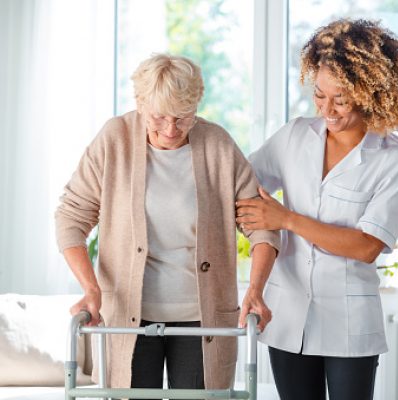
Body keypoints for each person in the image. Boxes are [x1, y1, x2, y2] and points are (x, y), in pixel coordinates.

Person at [55, 54, 280, 391]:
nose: (171, 129)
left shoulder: (217, 144)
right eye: (158, 117)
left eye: (183, 117)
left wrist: (256, 290)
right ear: (141, 104)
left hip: (202, 320)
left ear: (196, 106)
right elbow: (71, 216)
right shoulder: (115, 138)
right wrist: (91, 288)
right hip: (127, 317)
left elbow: (262, 225)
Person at [236, 19, 398, 400]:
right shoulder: (295, 135)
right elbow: (241, 183)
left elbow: (366, 246)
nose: (327, 109)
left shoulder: (391, 160)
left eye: (340, 99)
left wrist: (286, 219)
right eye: (320, 95)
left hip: (349, 324)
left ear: (372, 93)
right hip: (287, 314)